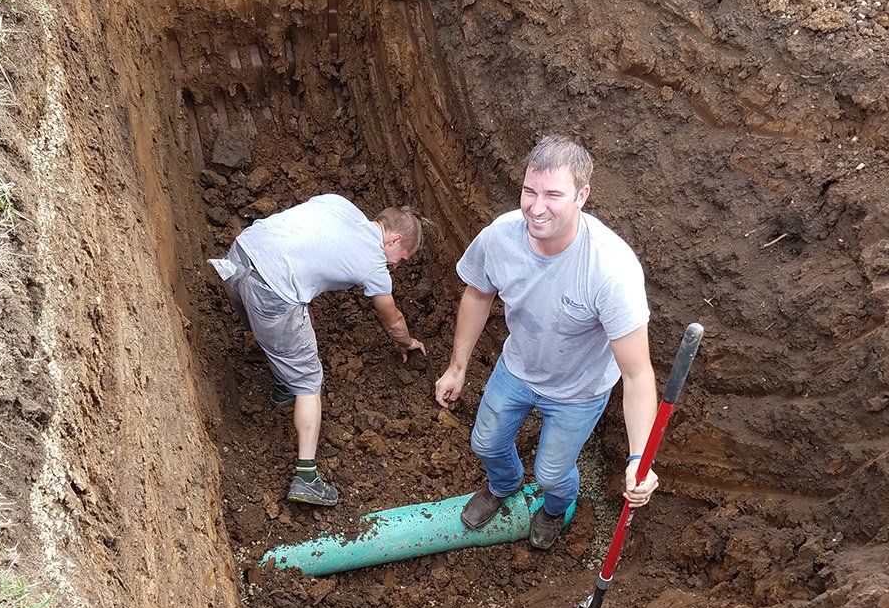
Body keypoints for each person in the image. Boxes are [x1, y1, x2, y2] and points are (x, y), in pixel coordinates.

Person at [435, 134, 658, 551]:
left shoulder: (610, 269)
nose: (536, 207)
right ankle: (504, 485)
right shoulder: (500, 237)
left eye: (553, 194)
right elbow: (478, 294)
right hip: (518, 367)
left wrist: (637, 459)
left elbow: (636, 372)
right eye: (529, 191)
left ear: (582, 195)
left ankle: (555, 509)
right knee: (485, 442)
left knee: (554, 473)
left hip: (578, 391)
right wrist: (457, 367)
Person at [210, 194, 425, 507]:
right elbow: (393, 320)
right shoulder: (374, 266)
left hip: (240, 256)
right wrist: (407, 342)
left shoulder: (340, 204)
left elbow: (304, 243)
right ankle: (306, 476)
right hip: (271, 291)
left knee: (294, 323)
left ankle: (283, 383)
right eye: (402, 257)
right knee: (309, 381)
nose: (397, 264)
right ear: (394, 240)